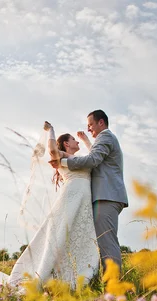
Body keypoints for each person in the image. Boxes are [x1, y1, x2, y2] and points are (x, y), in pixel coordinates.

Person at [0, 122, 99, 292]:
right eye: (74, 139)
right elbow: (51, 151)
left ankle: (71, 277)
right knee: (58, 237)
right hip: (70, 200)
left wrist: (86, 139)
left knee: (77, 238)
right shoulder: (60, 156)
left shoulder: (81, 159)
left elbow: (94, 158)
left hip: (84, 203)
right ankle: (43, 276)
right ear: (66, 143)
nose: (77, 141)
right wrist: (50, 130)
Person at [52, 109, 128, 273]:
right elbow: (96, 155)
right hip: (105, 197)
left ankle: (114, 286)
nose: (88, 129)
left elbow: (93, 159)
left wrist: (64, 158)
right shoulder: (104, 139)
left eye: (90, 125)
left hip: (107, 197)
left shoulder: (106, 136)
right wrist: (86, 140)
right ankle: (107, 282)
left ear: (101, 122)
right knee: (102, 242)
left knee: (107, 242)